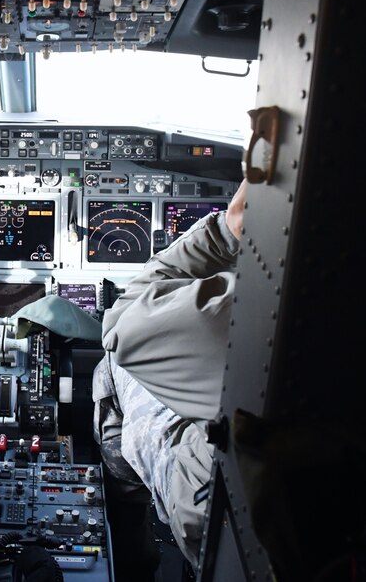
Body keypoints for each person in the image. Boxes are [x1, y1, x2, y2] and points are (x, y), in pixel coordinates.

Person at [93, 181, 246, 572]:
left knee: (114, 363)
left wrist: (227, 232)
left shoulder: (247, 306)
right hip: (275, 483)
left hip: (209, 500)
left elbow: (120, 323)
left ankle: (129, 525)